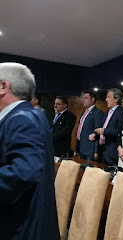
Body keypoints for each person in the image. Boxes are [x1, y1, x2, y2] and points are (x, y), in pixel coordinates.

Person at [0, 62, 59, 239]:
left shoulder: (23, 118)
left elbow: (24, 172)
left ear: (3, 86)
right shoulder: (24, 115)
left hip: (19, 227)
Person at [89, 88, 123, 165]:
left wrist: (104, 131)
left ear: (116, 99)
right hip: (103, 151)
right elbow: (102, 129)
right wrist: (95, 134)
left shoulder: (121, 113)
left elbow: (120, 131)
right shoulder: (106, 114)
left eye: (109, 97)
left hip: (113, 152)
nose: (106, 100)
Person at [75, 91, 104, 161]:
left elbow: (98, 131)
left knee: (90, 171)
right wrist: (76, 148)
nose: (83, 100)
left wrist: (96, 151)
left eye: (86, 98)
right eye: (83, 98)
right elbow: (80, 131)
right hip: (82, 148)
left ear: (92, 99)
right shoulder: (83, 113)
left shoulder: (97, 112)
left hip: (90, 150)